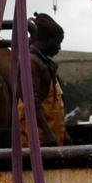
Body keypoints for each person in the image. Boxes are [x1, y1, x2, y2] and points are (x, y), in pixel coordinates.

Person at [18, 12, 68, 146]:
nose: (59, 47)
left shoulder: (46, 63)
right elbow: (31, 103)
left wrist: (64, 133)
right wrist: (48, 133)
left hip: (52, 140)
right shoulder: (31, 62)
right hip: (38, 141)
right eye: (58, 42)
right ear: (47, 40)